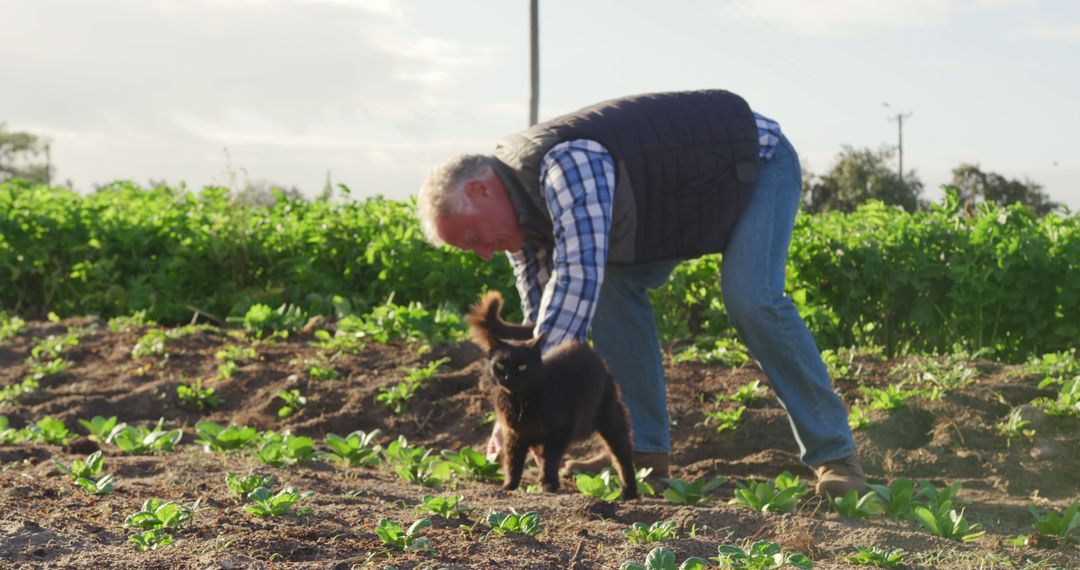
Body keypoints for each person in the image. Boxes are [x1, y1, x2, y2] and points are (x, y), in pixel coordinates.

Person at [416, 89, 865, 496]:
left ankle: (835, 455)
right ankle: (644, 453)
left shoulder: (567, 165)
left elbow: (577, 275)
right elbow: (541, 315)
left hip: (751, 164)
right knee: (614, 287)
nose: (481, 254)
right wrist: (524, 410)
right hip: (684, 203)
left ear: (480, 189)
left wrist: (535, 398)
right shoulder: (519, 217)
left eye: (473, 236)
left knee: (751, 297)